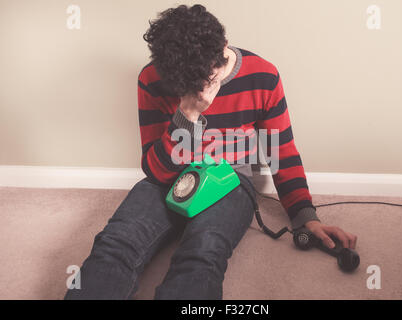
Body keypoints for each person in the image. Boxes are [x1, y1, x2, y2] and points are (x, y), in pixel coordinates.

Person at [64, 4, 357, 300]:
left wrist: (305, 215)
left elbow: (280, 151)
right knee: (116, 244)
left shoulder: (263, 76)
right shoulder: (153, 78)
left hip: (228, 177)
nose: (193, 90)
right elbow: (155, 169)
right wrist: (188, 113)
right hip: (169, 174)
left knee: (202, 252)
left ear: (224, 47)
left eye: (200, 82)